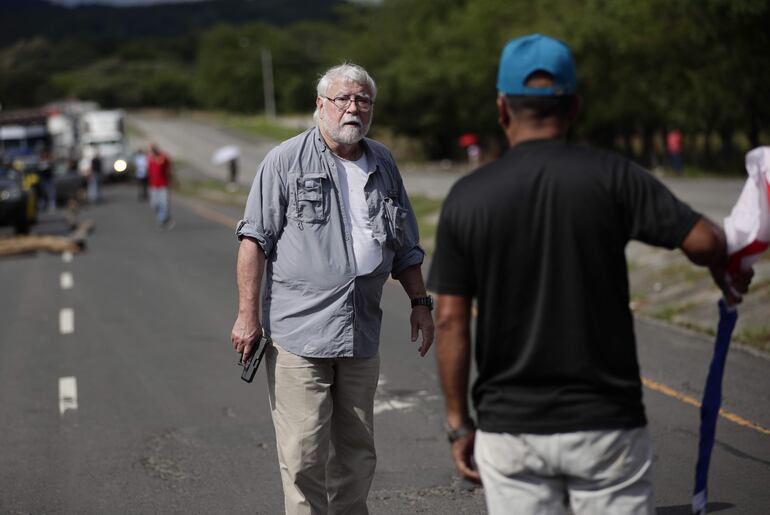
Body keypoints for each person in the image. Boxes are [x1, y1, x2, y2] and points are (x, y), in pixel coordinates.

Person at [427, 33, 754, 515]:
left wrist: (460, 423)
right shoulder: (614, 176)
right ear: (574, 106)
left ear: (502, 109)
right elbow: (706, 241)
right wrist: (720, 264)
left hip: (511, 428)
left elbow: (451, 320)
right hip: (606, 423)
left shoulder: (467, 197)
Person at [230, 63, 434, 515]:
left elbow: (406, 243)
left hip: (361, 331)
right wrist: (247, 315)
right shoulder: (285, 160)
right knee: (304, 454)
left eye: (363, 100)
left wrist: (420, 302)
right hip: (299, 334)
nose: (353, 108)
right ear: (320, 105)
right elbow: (253, 241)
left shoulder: (383, 162)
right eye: (343, 99)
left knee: (357, 452)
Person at [147, 143, 173, 229]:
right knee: (155, 204)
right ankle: (165, 217)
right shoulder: (149, 158)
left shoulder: (163, 158)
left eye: (154, 149)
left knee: (164, 203)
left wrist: (172, 180)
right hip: (153, 186)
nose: (153, 151)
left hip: (163, 185)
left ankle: (162, 220)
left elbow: (169, 168)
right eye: (152, 149)